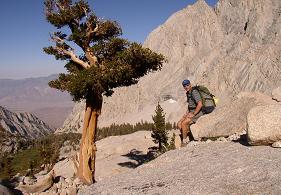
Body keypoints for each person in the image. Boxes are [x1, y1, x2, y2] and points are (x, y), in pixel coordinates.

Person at [177, 79, 204, 146]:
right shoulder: (188, 93)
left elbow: (200, 104)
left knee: (183, 123)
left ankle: (184, 142)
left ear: (190, 84)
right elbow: (190, 105)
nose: (186, 87)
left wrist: (194, 113)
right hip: (191, 111)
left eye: (187, 85)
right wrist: (186, 114)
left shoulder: (194, 92)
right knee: (179, 124)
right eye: (184, 86)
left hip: (198, 111)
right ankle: (188, 136)